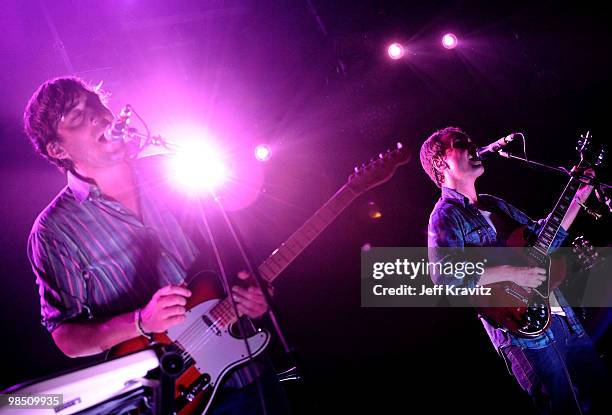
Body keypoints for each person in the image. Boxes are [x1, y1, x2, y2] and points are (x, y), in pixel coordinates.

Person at [23, 76, 289, 414]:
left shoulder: (172, 171)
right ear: (58, 150)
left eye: (94, 103)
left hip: (249, 370)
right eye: (77, 117)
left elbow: (229, 256)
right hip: (167, 397)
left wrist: (255, 294)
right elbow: (66, 337)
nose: (94, 114)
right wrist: (140, 321)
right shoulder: (54, 229)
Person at [419, 126, 610, 414]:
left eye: (471, 139)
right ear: (440, 163)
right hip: (522, 332)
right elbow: (445, 275)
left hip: (562, 315)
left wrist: (579, 193)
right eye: (460, 143)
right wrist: (511, 271)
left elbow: (546, 236)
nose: (472, 145)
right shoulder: (445, 215)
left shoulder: (494, 204)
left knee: (603, 393)